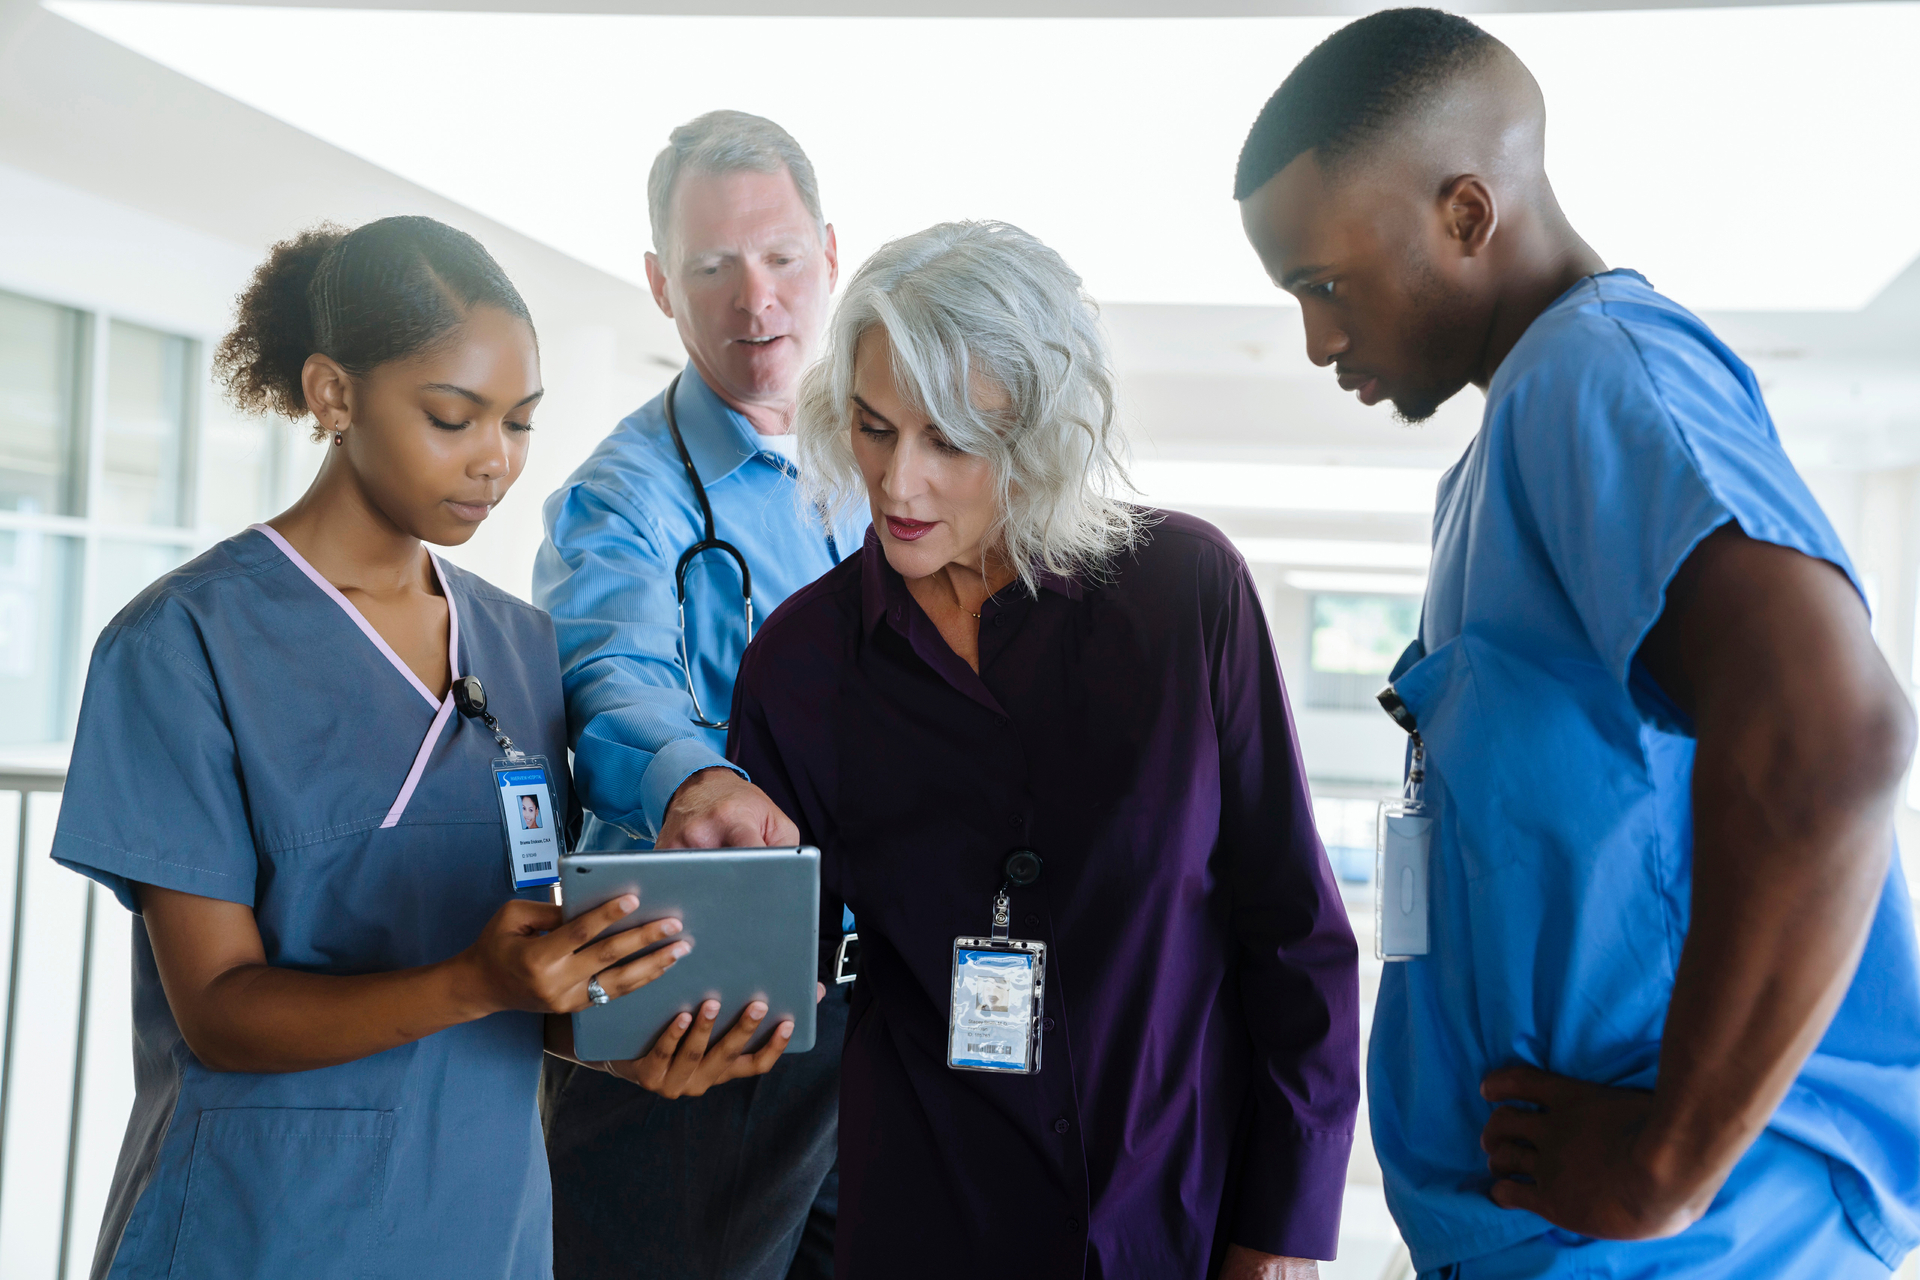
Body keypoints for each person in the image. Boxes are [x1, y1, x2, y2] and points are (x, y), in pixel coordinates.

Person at [1234, 11, 1920, 1279]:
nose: (1322, 341)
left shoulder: (1596, 375)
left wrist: (1672, 1159)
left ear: (1466, 215)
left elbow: (1833, 736)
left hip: (1703, 1245)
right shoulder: (1502, 457)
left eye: (1325, 286)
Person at [48, 216, 795, 1280]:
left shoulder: (521, 645)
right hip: (259, 1230)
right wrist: (476, 980)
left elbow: (517, 976)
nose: (494, 460)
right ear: (333, 395)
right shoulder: (185, 643)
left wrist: (630, 1042)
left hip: (484, 1228)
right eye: (453, 417)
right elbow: (216, 1010)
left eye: (521, 422)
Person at [728, 219, 1361, 1280]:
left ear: (1039, 436)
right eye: (876, 428)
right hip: (928, 1225)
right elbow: (779, 972)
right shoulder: (799, 660)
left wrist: (1283, 1230)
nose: (899, 484)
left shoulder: (1183, 592)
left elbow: (1295, 933)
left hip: (1182, 1216)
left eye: (952, 444)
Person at [535, 110, 863, 1280]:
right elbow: (610, 675)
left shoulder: (883, 465)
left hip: (877, 1017)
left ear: (829, 255)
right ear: (661, 286)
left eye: (778, 258)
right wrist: (697, 774)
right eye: (712, 267)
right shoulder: (624, 495)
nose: (753, 298)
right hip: (697, 1018)